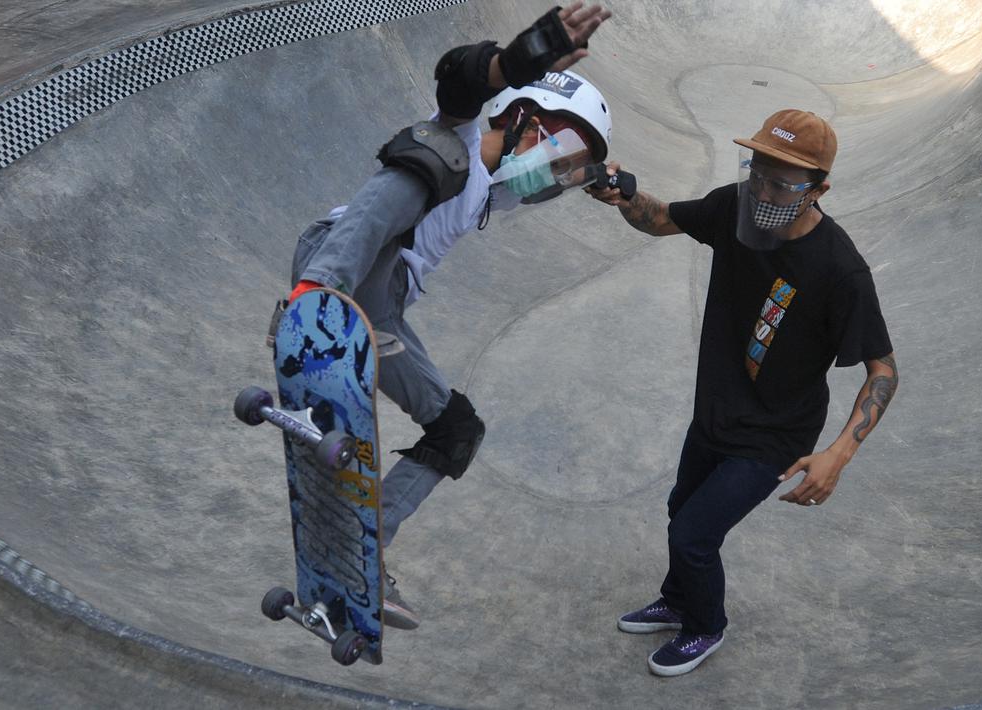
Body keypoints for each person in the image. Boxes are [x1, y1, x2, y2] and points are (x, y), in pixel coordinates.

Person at [281, 3, 613, 630]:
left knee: (457, 430)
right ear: (521, 116)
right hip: (347, 258)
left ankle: (362, 551)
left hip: (382, 308)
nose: (559, 172)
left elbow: (547, 178)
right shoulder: (460, 140)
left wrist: (597, 173)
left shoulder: (493, 192)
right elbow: (459, 82)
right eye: (562, 150)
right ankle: (313, 298)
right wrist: (518, 60)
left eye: (569, 166)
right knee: (430, 160)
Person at [587, 109, 898, 676]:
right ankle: (679, 600)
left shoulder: (840, 270)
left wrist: (839, 453)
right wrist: (623, 196)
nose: (763, 193)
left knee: (693, 535)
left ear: (819, 190)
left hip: (774, 435)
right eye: (756, 173)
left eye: (782, 185)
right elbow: (660, 219)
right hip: (715, 411)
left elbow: (883, 370)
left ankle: (706, 627)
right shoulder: (735, 206)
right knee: (681, 510)